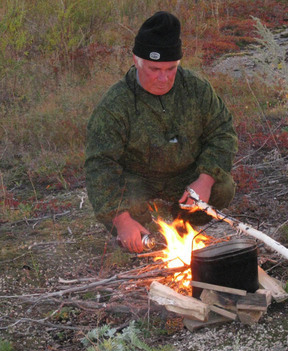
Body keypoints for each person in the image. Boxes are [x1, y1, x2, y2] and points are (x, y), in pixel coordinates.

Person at [85, 11, 238, 253]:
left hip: (183, 178)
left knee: (223, 187)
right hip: (139, 182)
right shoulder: (115, 105)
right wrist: (121, 219)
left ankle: (182, 224)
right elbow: (99, 165)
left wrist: (205, 179)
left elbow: (222, 132)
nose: (163, 78)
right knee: (128, 210)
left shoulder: (196, 89)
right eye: (154, 69)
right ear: (137, 60)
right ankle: (141, 230)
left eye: (171, 68)